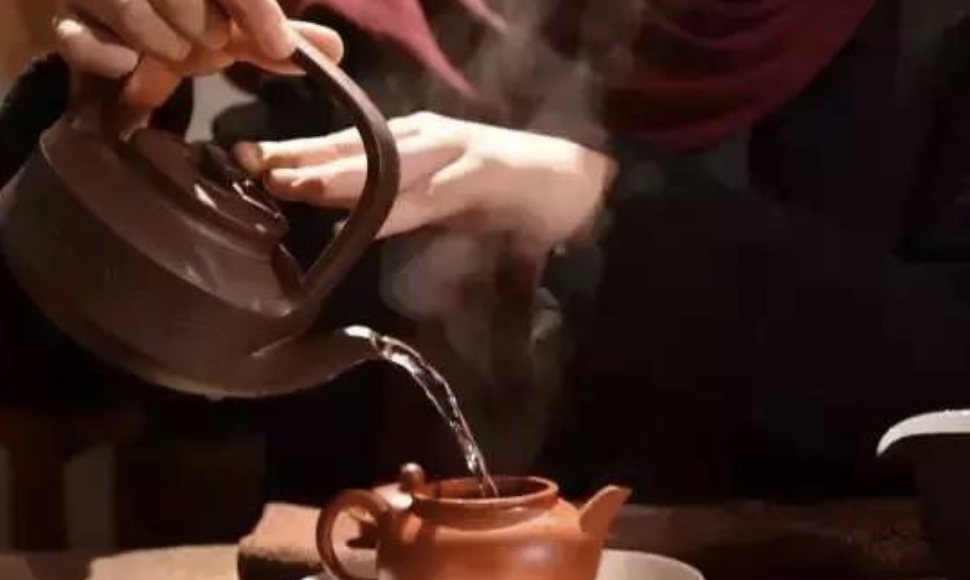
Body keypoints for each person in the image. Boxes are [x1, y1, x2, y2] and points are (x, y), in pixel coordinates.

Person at [9, 0, 970, 504]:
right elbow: (45, 370)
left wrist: (592, 202)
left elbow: (941, 370)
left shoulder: (934, 40)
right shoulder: (345, 31)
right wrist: (101, 117)